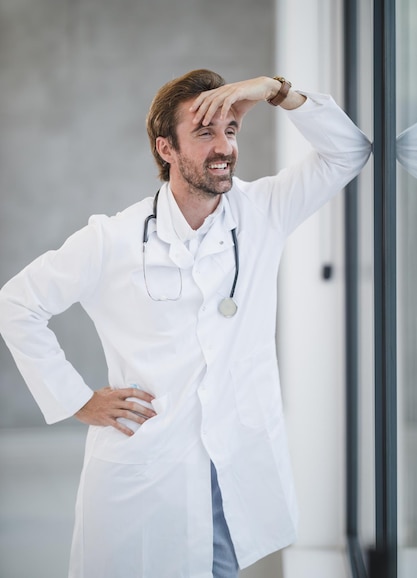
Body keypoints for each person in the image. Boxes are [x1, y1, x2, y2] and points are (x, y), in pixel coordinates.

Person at [0, 70, 371, 578]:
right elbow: (17, 303)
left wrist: (277, 92)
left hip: (229, 470)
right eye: (204, 132)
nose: (224, 147)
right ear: (165, 148)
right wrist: (78, 400)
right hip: (148, 469)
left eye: (230, 131)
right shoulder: (113, 239)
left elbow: (349, 151)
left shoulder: (263, 211)